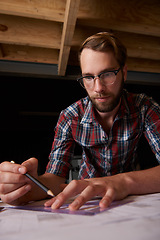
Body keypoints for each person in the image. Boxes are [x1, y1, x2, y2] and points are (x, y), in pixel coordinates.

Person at [0, 32, 160, 210]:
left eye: (107, 74)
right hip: (85, 198)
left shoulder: (145, 107)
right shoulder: (69, 116)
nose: (98, 88)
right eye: (89, 77)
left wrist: (124, 181)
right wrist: (25, 190)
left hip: (131, 196)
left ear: (123, 72)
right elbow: (54, 178)